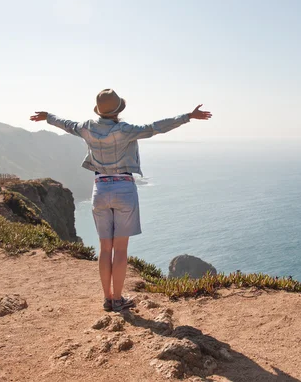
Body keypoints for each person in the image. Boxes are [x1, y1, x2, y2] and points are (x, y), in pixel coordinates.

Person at [30, 89, 212, 312]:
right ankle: (118, 299)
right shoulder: (125, 130)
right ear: (118, 110)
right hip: (124, 189)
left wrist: (47, 116)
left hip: (100, 189)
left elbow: (66, 124)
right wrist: (187, 116)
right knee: (121, 250)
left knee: (105, 249)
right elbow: (155, 127)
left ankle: (107, 299)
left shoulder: (86, 127)